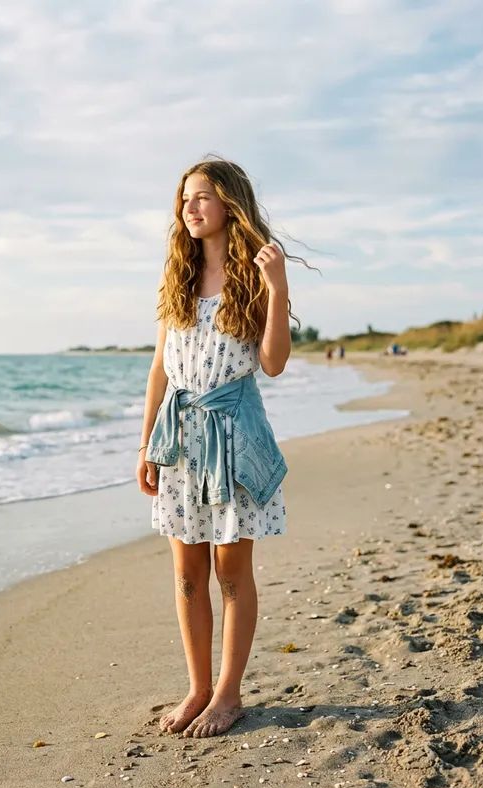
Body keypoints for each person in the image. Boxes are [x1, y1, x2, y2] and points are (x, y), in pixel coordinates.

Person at [135, 158, 306, 739]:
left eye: (202, 197)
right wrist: (145, 445)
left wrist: (278, 288)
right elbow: (160, 367)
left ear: (230, 203)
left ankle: (229, 695)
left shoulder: (256, 275)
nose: (190, 208)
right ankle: (198, 688)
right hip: (179, 440)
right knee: (187, 574)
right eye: (185, 199)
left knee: (231, 572)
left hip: (233, 435)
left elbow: (274, 363)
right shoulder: (176, 278)